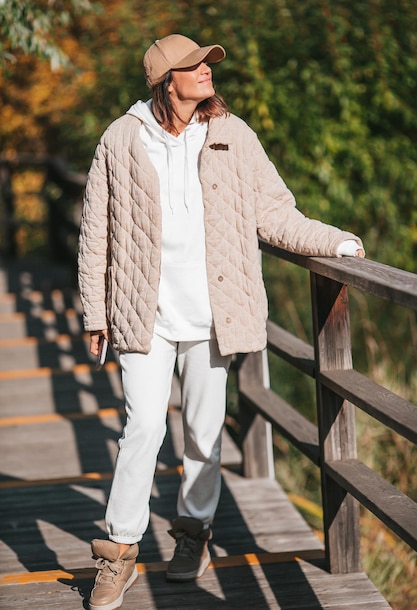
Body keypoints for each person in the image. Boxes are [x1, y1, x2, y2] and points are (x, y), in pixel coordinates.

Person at [78, 33, 365, 610]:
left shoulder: (234, 134)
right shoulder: (121, 139)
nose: (208, 71)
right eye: (195, 65)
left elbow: (274, 211)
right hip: (142, 315)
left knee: (204, 435)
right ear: (166, 81)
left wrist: (332, 241)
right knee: (143, 429)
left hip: (214, 315)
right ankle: (119, 552)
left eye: (209, 62)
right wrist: (94, 311)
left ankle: (193, 533)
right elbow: (96, 231)